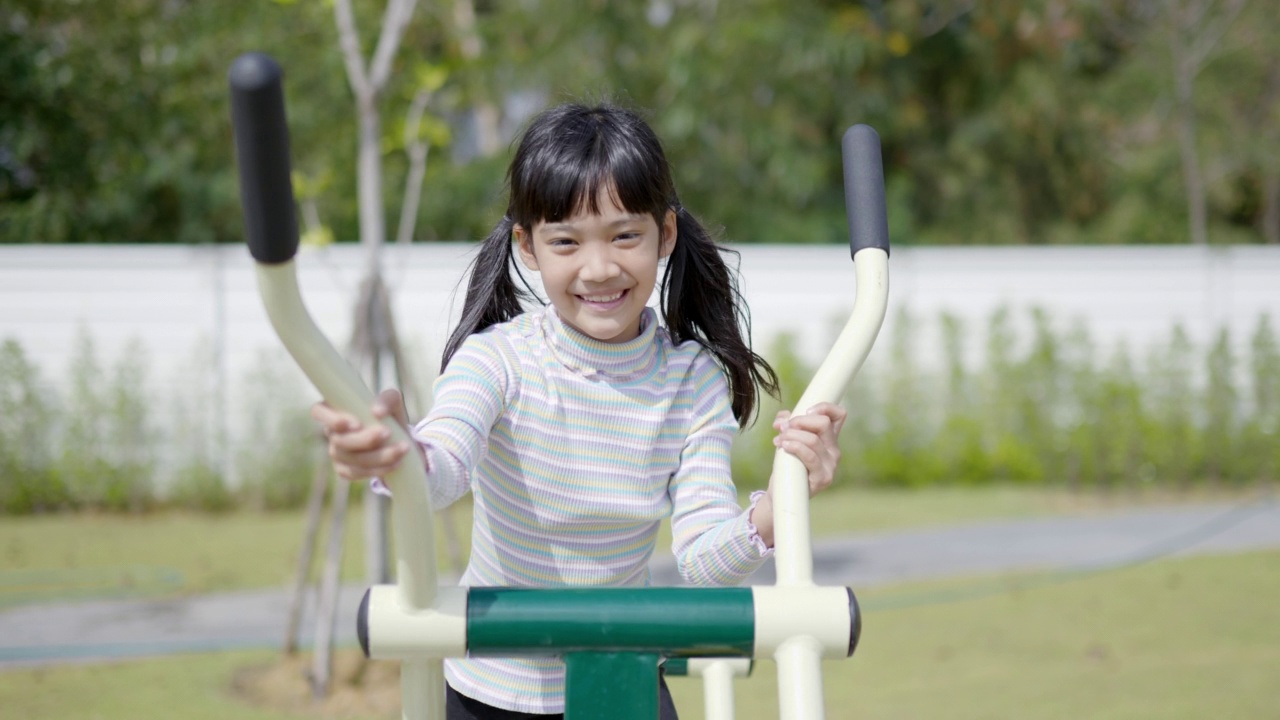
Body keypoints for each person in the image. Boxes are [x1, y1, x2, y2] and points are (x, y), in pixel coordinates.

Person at [312, 103, 848, 720]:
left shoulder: (689, 379)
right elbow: (444, 465)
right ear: (528, 246)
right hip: (490, 686)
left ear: (664, 235)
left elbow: (702, 561)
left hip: (621, 679)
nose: (599, 269)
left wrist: (780, 503)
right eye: (566, 241)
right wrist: (398, 454)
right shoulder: (499, 360)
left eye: (625, 236)